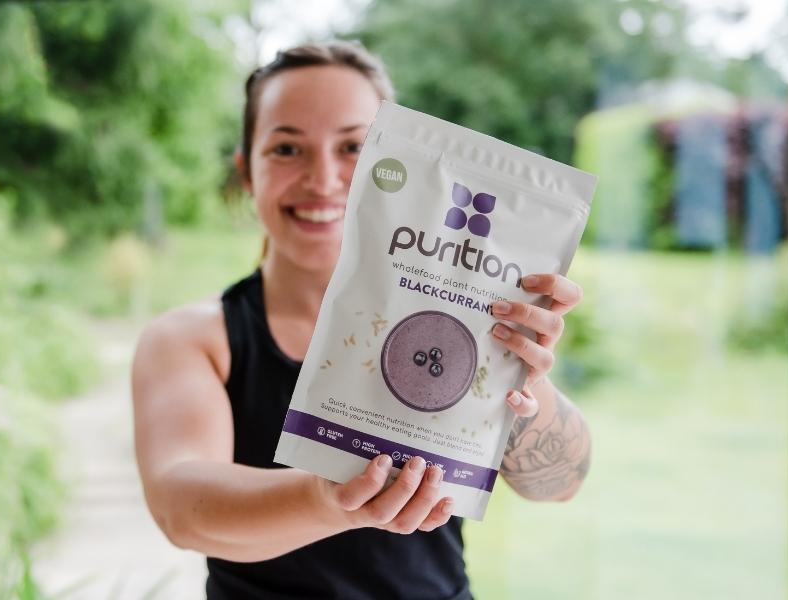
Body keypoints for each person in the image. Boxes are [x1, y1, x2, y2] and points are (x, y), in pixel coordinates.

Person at [131, 41, 592, 599]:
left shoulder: (455, 326)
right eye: (286, 149)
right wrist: (328, 499)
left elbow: (560, 484)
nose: (322, 179)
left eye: (354, 146)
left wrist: (520, 379)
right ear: (246, 173)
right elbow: (182, 507)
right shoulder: (194, 340)